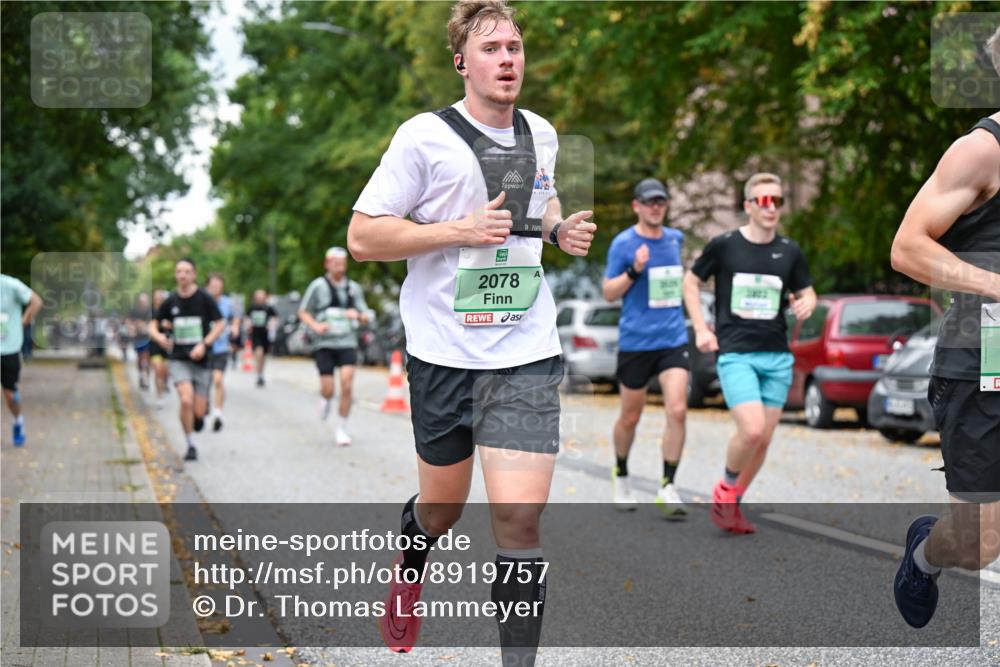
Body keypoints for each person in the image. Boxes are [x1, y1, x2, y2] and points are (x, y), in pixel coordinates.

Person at [348, 1, 596, 661]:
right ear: (462, 61)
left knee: (518, 516)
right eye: (491, 48)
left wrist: (555, 228)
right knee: (443, 509)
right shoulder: (421, 138)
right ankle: (412, 556)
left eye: (514, 46)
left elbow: (540, 197)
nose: (508, 58)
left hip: (525, 350)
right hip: (443, 353)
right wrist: (456, 230)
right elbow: (363, 234)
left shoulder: (540, 132)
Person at [888, 31, 1000, 628]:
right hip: (983, 363)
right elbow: (906, 248)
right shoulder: (981, 151)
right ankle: (926, 554)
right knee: (981, 544)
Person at [682, 172, 815, 534]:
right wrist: (700, 327)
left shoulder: (789, 250)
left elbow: (807, 291)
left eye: (778, 200)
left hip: (777, 356)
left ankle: (732, 505)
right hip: (736, 353)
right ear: (748, 206)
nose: (772, 207)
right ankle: (725, 487)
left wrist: (807, 303)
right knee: (752, 430)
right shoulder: (724, 245)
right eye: (764, 200)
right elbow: (691, 282)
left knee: (764, 440)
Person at [603, 178, 689, 517]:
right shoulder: (624, 243)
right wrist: (634, 270)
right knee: (631, 415)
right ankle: (621, 472)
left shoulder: (675, 239)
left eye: (661, 202)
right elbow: (609, 292)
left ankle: (668, 485)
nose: (656, 207)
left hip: (673, 338)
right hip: (636, 341)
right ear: (636, 205)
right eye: (649, 202)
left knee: (678, 409)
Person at [149, 259, 224, 462]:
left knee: (198, 410)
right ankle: (190, 444)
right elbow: (152, 325)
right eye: (179, 271)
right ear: (176, 275)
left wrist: (204, 345)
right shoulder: (170, 301)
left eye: (187, 271)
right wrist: (159, 337)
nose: (182, 275)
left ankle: (200, 415)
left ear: (194, 274)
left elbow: (220, 324)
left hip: (201, 360)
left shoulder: (204, 298)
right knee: (185, 399)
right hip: (179, 358)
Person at [298, 247, 372, 446]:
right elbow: (303, 312)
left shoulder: (353, 288)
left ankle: (341, 428)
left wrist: (357, 315)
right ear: (327, 264)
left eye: (343, 263)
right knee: (328, 389)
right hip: (324, 343)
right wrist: (315, 326)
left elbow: (366, 314)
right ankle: (325, 398)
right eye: (335, 262)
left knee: (347, 384)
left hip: (347, 341)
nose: (340, 266)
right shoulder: (318, 286)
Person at [1, 274, 42, 447]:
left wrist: (25, 321)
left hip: (9, 350)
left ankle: (18, 420)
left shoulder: (11, 285)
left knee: (10, 396)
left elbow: (36, 301)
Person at [205, 273, 238, 431]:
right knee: (206, 381)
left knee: (218, 379)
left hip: (221, 348)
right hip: (204, 348)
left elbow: (236, 316)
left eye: (219, 285)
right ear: (207, 286)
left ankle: (218, 413)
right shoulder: (202, 301)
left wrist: (236, 327)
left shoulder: (227, 303)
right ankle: (204, 403)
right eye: (213, 285)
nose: (216, 288)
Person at [246, 290, 277, 388]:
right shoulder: (252, 307)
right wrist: (248, 324)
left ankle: (261, 374)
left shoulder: (268, 308)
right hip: (255, 334)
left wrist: (271, 324)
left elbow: (275, 317)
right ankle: (258, 373)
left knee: (263, 356)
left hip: (265, 335)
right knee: (258, 353)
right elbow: (247, 318)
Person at [148, 289, 171, 409]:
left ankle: (165, 383)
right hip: (155, 344)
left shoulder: (168, 310)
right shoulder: (150, 311)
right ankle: (159, 396)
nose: (158, 299)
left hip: (167, 344)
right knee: (158, 370)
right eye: (156, 297)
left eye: (160, 297)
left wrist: (169, 325)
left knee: (165, 372)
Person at [127, 293, 153, 391]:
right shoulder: (134, 311)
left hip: (149, 338)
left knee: (147, 358)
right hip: (138, 338)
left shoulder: (150, 311)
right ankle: (142, 375)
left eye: (145, 300)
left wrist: (145, 326)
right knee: (140, 357)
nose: (143, 302)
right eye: (142, 300)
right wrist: (133, 326)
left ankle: (146, 377)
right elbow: (128, 321)